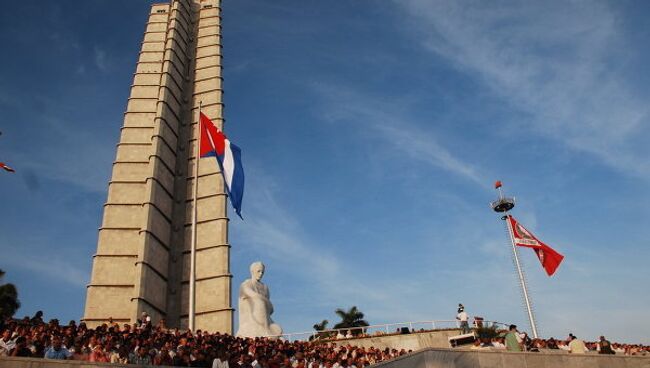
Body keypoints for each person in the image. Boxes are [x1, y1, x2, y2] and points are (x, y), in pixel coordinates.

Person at [236, 262, 282, 337]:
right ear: (252, 271)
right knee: (259, 301)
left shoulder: (265, 287)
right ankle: (265, 330)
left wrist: (266, 303)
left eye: (262, 272)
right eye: (258, 271)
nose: (261, 274)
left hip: (266, 319)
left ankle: (267, 329)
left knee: (278, 330)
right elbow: (254, 295)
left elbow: (270, 309)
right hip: (250, 318)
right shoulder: (245, 284)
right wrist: (266, 302)